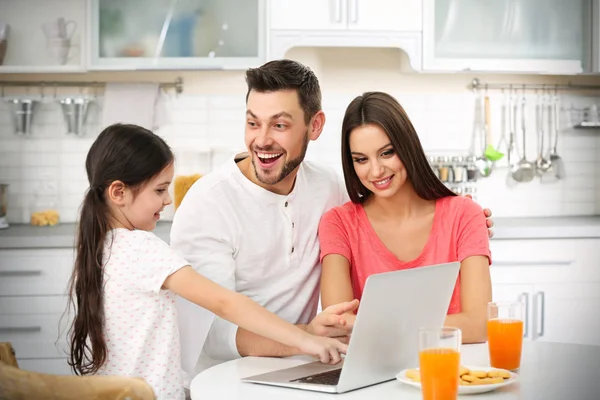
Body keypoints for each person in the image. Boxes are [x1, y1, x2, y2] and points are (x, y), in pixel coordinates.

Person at [170, 60, 495, 381]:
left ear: (315, 126)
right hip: (224, 379)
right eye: (253, 123)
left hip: (307, 367)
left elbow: (385, 208)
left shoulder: (327, 188)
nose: (262, 140)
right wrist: (306, 335)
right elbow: (212, 334)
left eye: (279, 125)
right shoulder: (208, 203)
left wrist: (462, 217)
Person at [64, 123, 353, 400]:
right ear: (118, 192)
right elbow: (224, 303)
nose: (167, 201)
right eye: (159, 190)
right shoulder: (141, 248)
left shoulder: (101, 247)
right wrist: (306, 340)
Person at [318, 92, 492, 344]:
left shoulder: (465, 215)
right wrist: (433, 327)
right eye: (361, 159)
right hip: (374, 377)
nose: (376, 171)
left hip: (451, 371)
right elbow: (340, 326)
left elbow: (478, 326)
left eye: (387, 153)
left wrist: (371, 325)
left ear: (407, 145)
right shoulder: (338, 224)